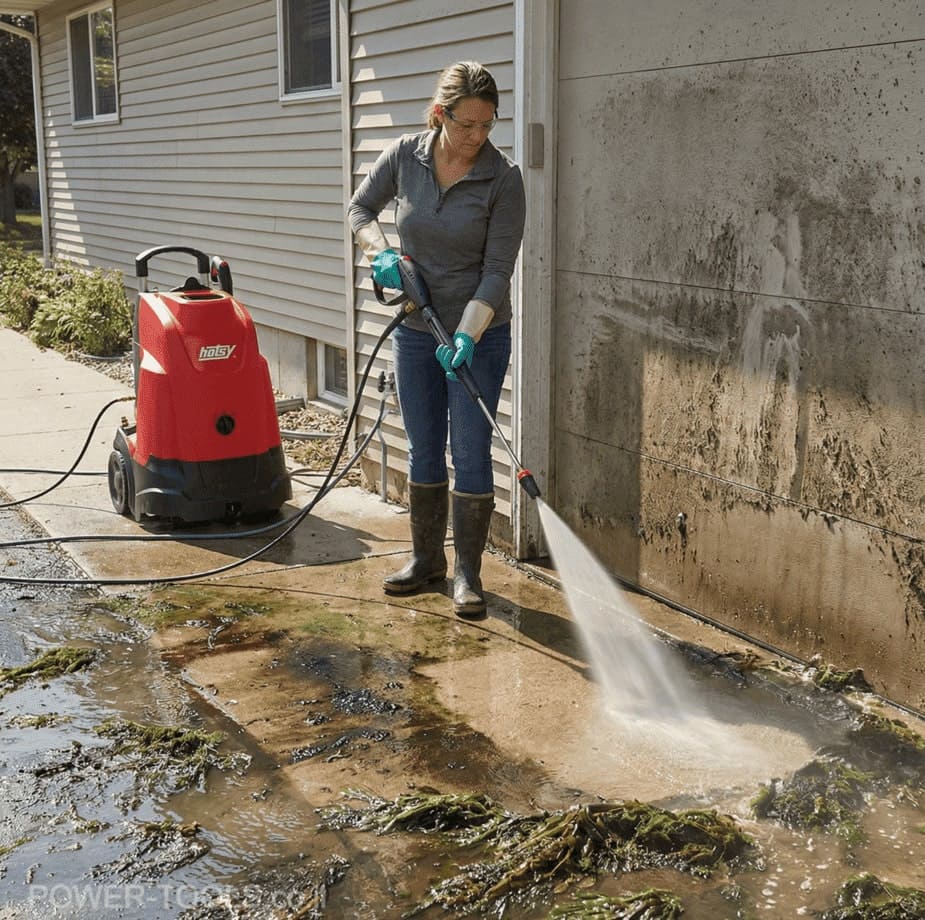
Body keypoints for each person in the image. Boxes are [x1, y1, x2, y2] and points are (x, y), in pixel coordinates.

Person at [347, 61, 526, 619]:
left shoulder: (504, 178)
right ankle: (427, 562)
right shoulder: (406, 156)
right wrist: (378, 253)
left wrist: (469, 334)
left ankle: (469, 577)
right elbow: (359, 209)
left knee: (470, 451)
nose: (478, 136)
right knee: (423, 447)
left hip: (479, 337)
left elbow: (498, 271)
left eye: (488, 124)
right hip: (417, 330)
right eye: (467, 124)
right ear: (439, 115)